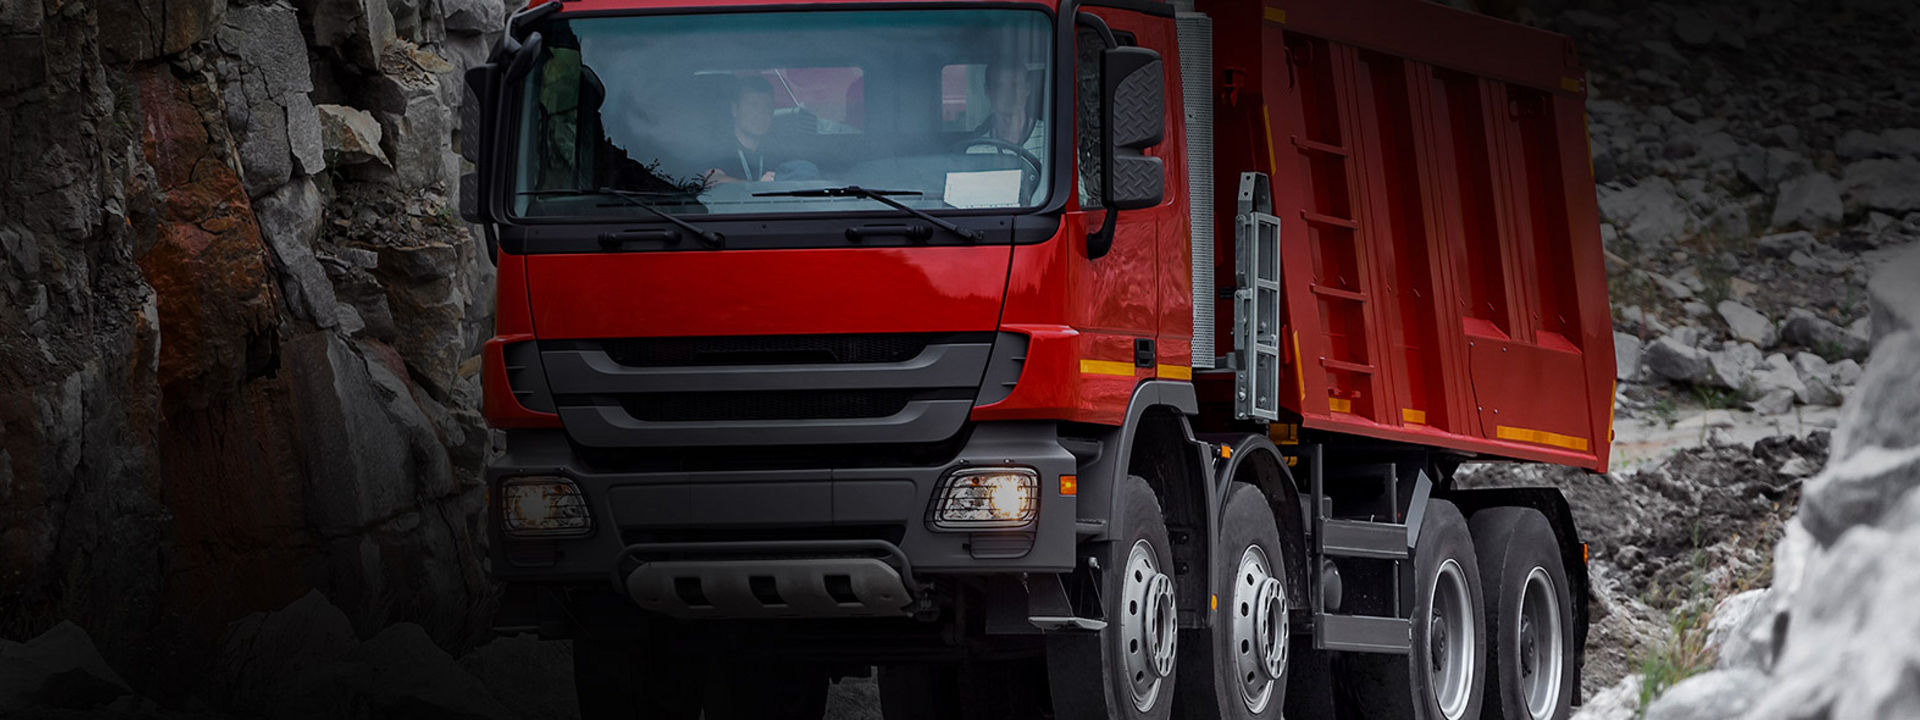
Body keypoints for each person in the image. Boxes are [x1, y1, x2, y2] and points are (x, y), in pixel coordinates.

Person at [703, 76, 786, 184]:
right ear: (734, 109)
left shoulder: (777, 150)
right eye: (753, 105)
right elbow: (712, 179)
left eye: (767, 106)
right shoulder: (719, 149)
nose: (761, 113)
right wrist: (757, 187)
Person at [973, 61, 1044, 158]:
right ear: (987, 91)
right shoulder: (977, 149)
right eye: (1000, 86)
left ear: (1027, 88)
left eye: (1015, 85)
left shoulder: (1048, 139)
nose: (1008, 94)